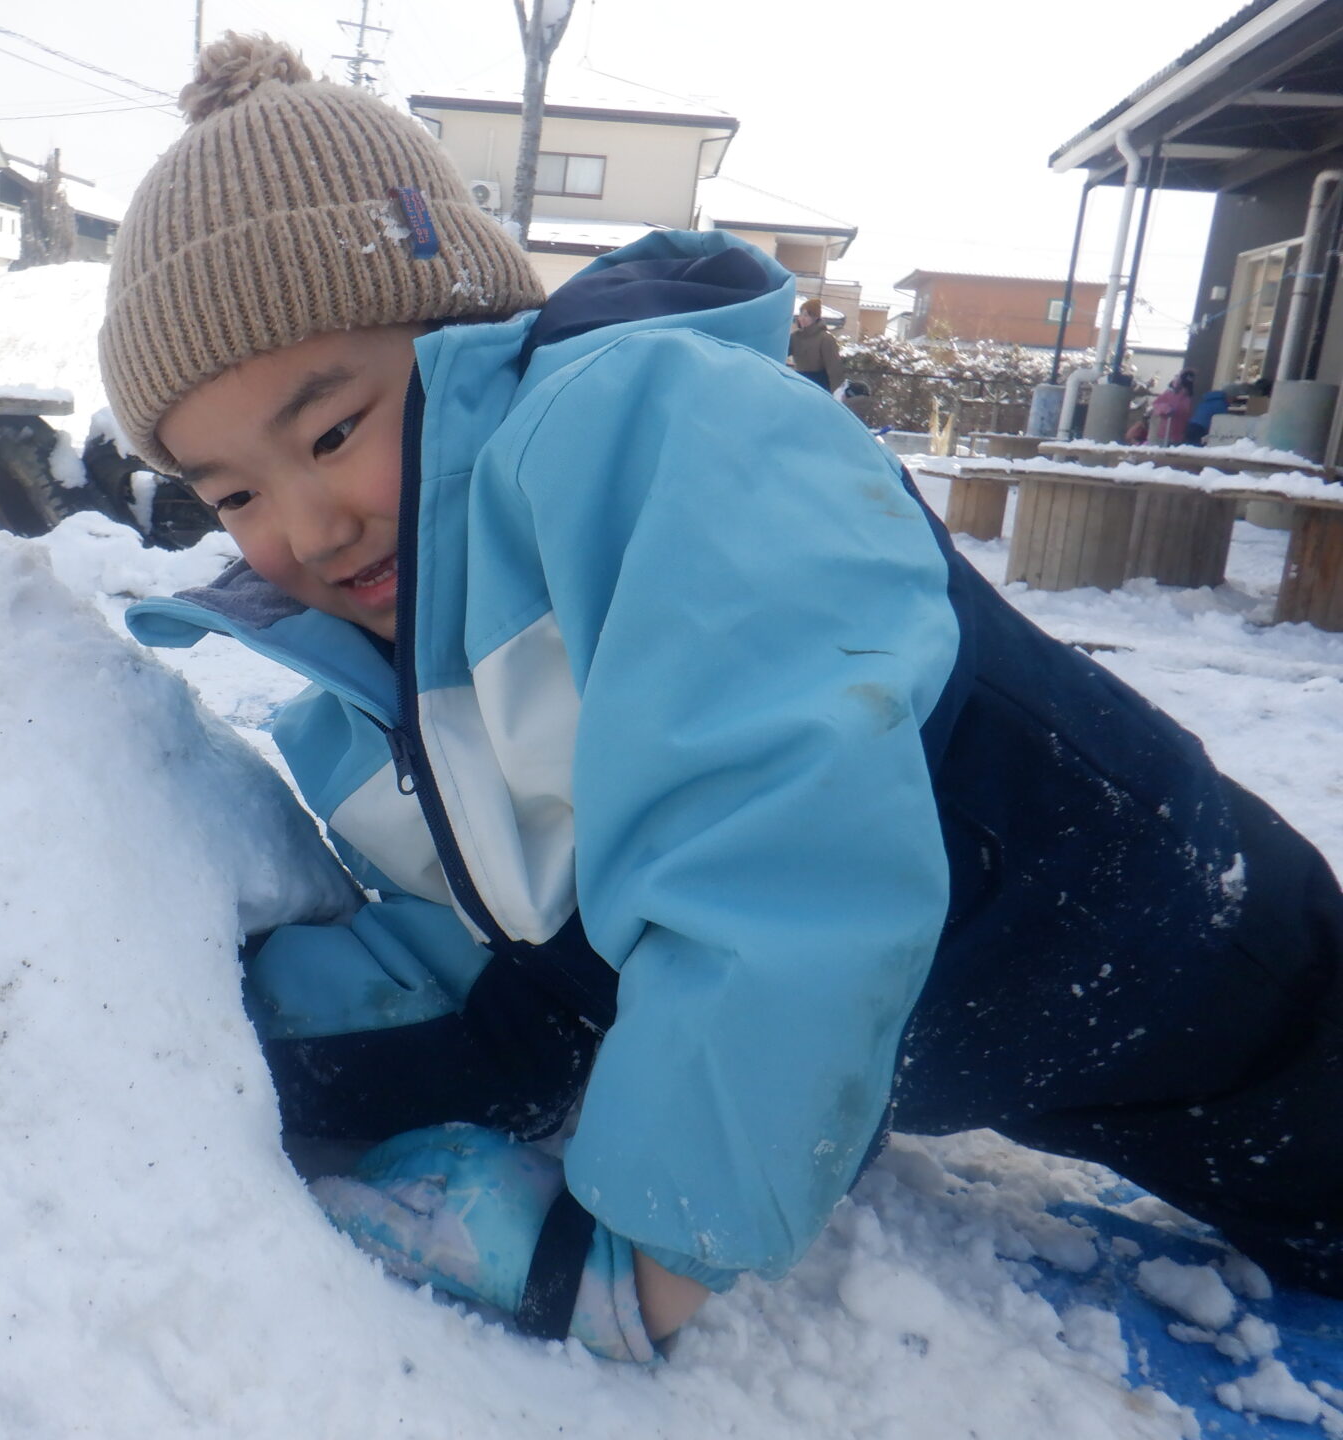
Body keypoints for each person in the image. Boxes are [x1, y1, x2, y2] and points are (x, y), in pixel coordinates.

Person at [103, 34, 1343, 1363]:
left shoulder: (658, 442)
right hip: (937, 1020)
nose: (306, 526)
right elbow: (498, 924)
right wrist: (217, 1020)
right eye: (235, 493)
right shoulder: (386, 653)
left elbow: (779, 851)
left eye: (333, 431)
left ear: (461, 332)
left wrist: (640, 1256)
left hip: (1145, 933)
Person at [787, 297, 845, 391]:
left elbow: (834, 369)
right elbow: (781, 353)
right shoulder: (795, 337)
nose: (802, 318)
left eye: (806, 315)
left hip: (819, 384)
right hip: (799, 383)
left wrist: (836, 392)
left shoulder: (825, 338)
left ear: (815, 317)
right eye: (801, 314)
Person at [1147, 368, 1196, 446]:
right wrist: (1166, 408)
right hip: (1161, 435)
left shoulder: (1187, 400)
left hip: (1176, 437)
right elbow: (1154, 406)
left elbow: (1187, 416)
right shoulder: (1169, 394)